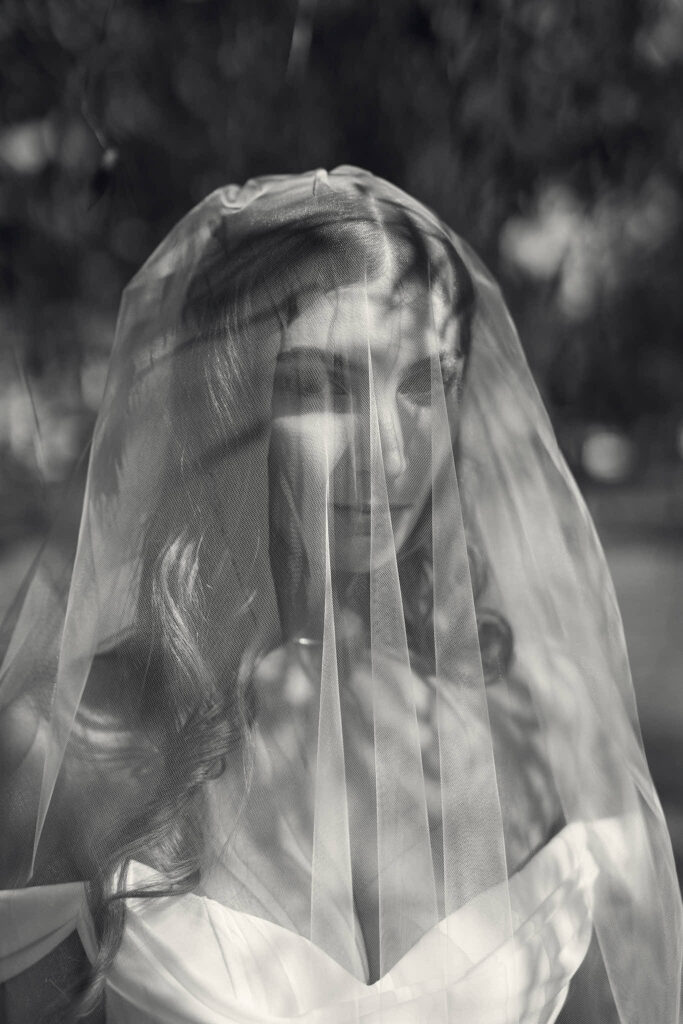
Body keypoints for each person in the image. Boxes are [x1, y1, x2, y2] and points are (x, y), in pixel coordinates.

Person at [0, 167, 680, 1023]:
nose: (389, 451)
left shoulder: (547, 719)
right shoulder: (68, 746)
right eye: (323, 385)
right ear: (223, 406)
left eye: (421, 384)